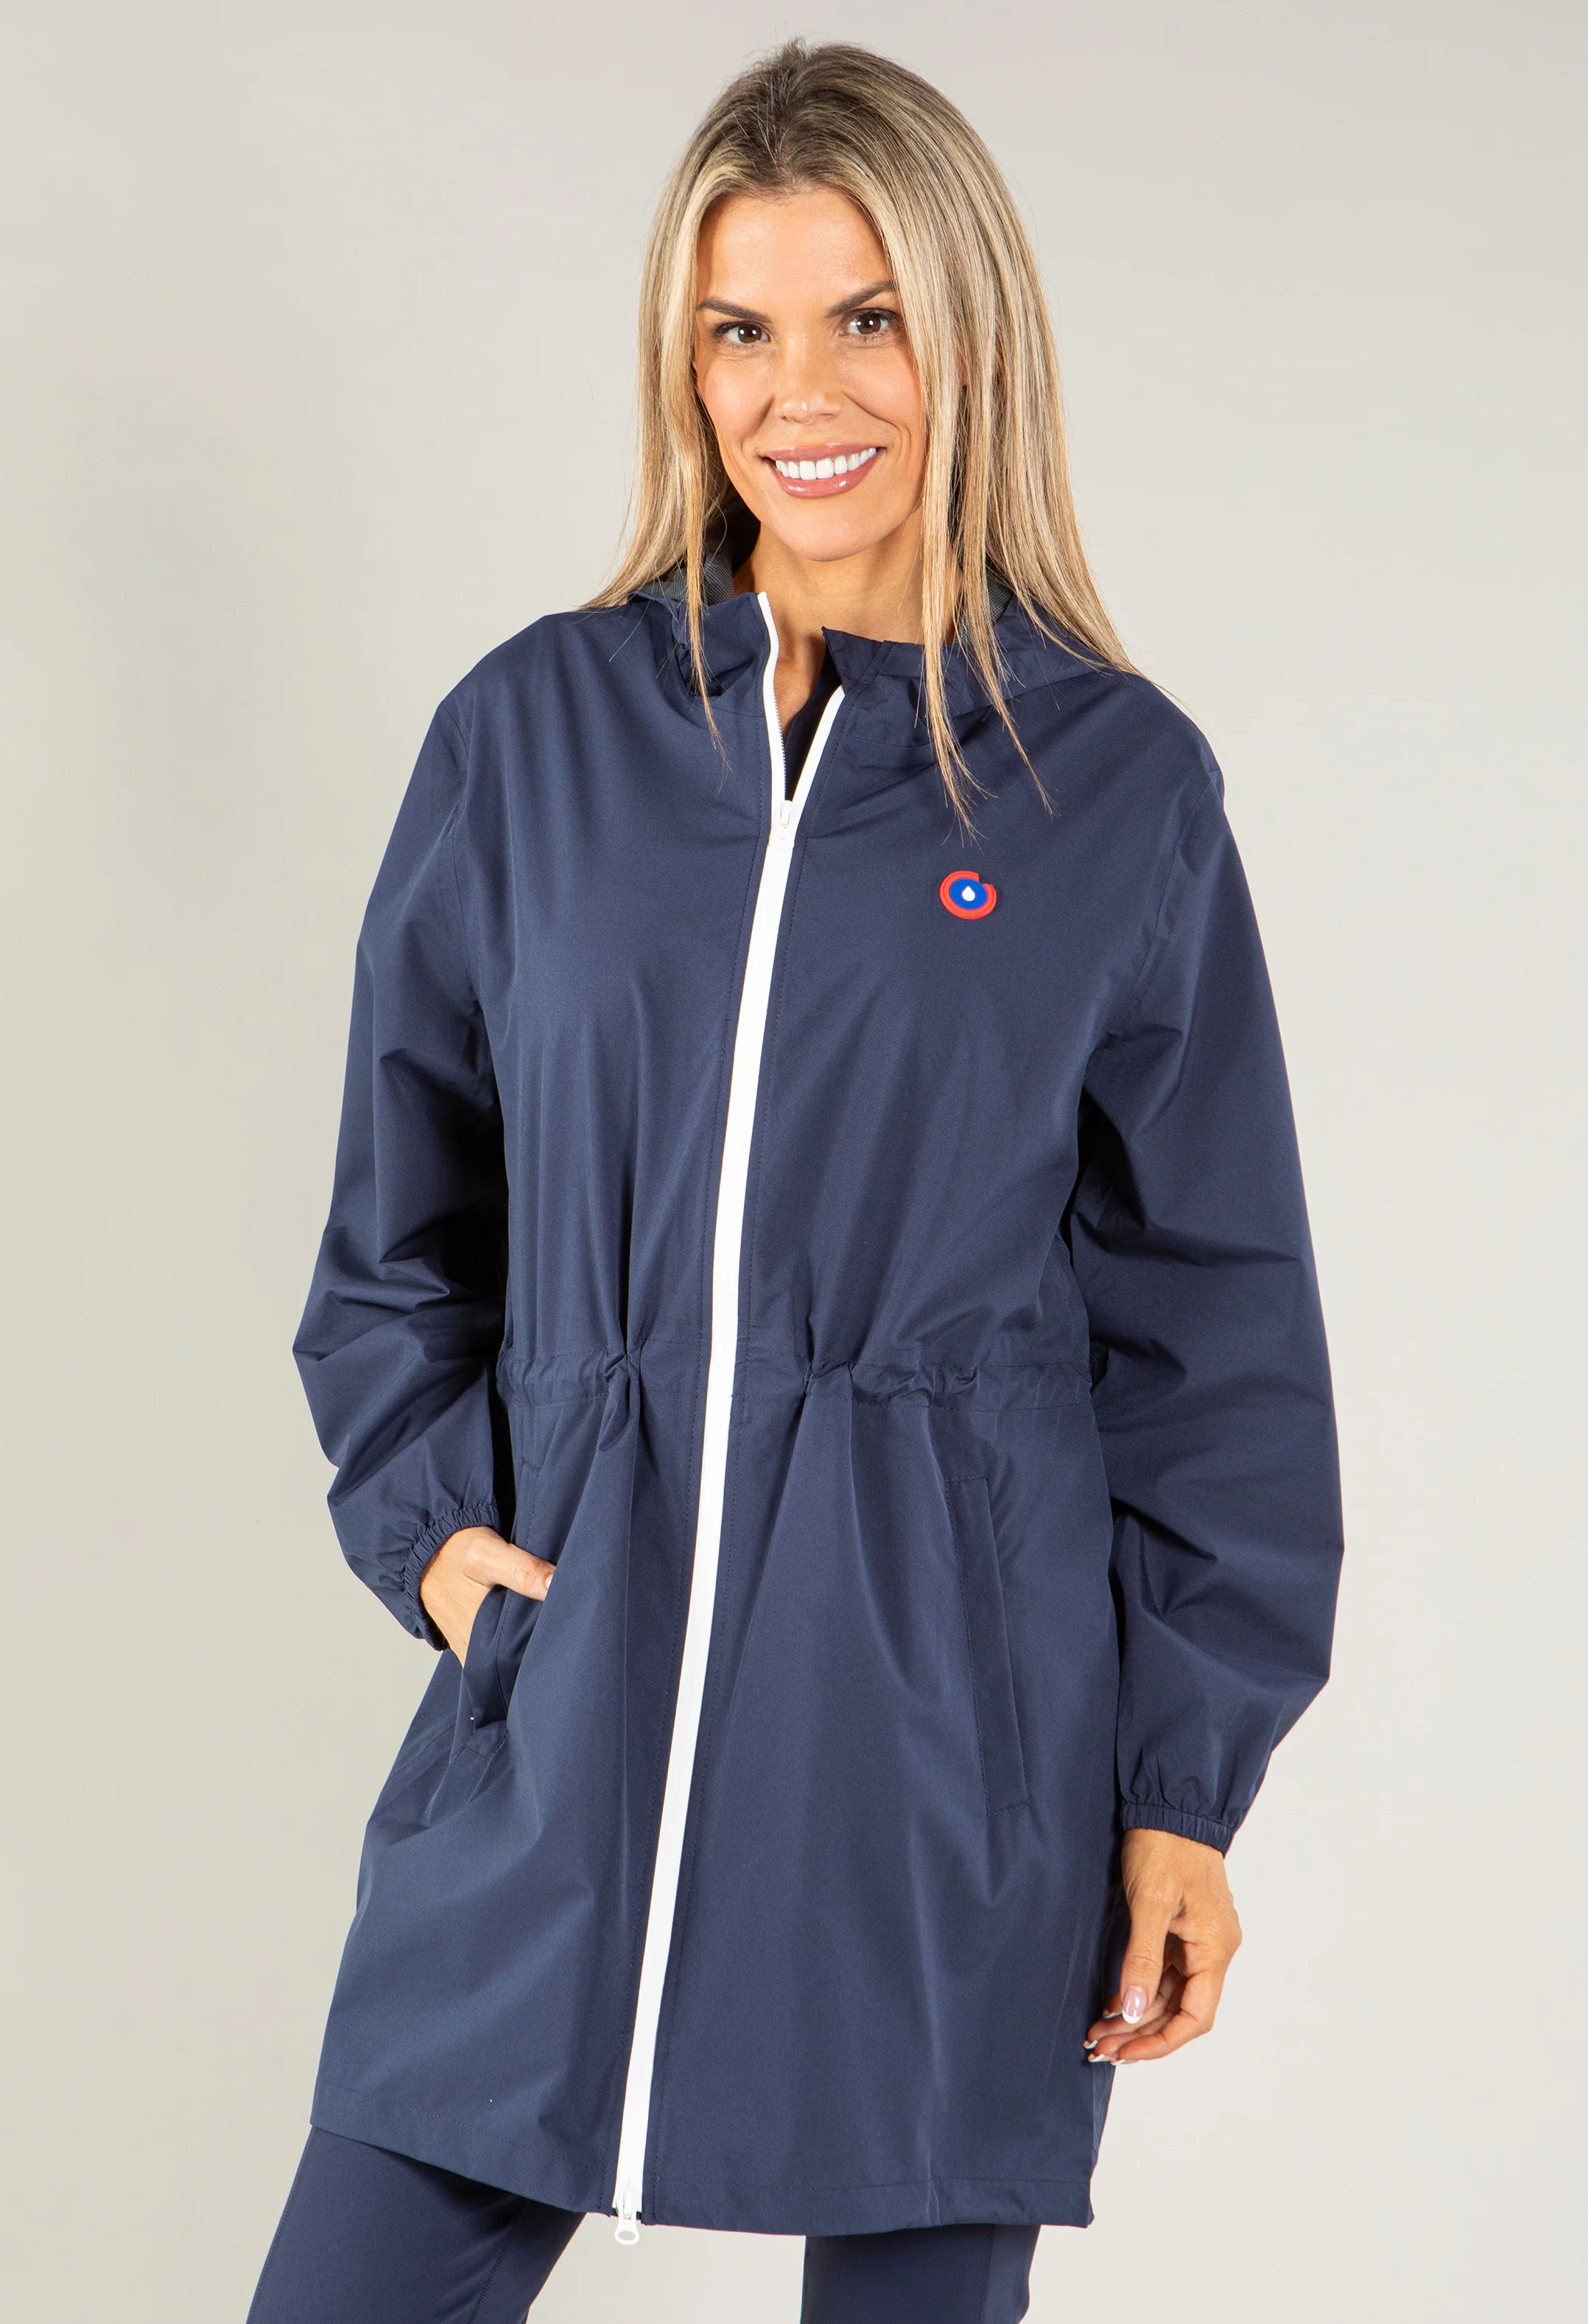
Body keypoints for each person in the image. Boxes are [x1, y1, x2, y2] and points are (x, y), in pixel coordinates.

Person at [248, 38, 1343, 2324]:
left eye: (867, 318)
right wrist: (442, 1548)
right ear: (684, 365)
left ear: (972, 339)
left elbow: (1210, 1332)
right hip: (564, 1706)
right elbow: (395, 1236)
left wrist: (1180, 1788)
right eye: (738, 329)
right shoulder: (536, 739)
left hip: (942, 1745)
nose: (798, 392)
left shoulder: (1110, 786)